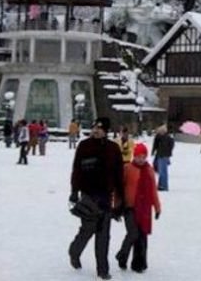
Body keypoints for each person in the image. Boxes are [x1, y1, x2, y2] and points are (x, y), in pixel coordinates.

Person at [68, 117, 124, 280]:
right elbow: (77, 170)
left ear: (106, 131)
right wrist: (74, 191)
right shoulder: (84, 146)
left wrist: (120, 199)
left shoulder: (113, 148)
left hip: (106, 195)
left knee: (103, 233)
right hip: (88, 194)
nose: (96, 131)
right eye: (94, 127)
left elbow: (119, 175)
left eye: (100, 128)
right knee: (88, 229)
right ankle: (74, 251)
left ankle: (102, 270)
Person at [115, 143, 161, 274]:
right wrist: (116, 205)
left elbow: (153, 191)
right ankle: (122, 255)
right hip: (129, 207)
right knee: (133, 233)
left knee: (142, 236)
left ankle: (139, 264)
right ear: (134, 156)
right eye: (138, 156)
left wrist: (157, 207)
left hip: (144, 208)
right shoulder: (127, 169)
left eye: (143, 157)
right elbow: (118, 189)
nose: (141, 159)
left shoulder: (149, 170)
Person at [151, 125, 175, 191]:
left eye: (160, 131)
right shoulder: (161, 137)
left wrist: (168, 152)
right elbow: (156, 145)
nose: (159, 132)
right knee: (162, 171)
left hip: (163, 156)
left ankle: (164, 186)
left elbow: (171, 146)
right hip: (161, 155)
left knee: (162, 172)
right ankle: (161, 185)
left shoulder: (166, 138)